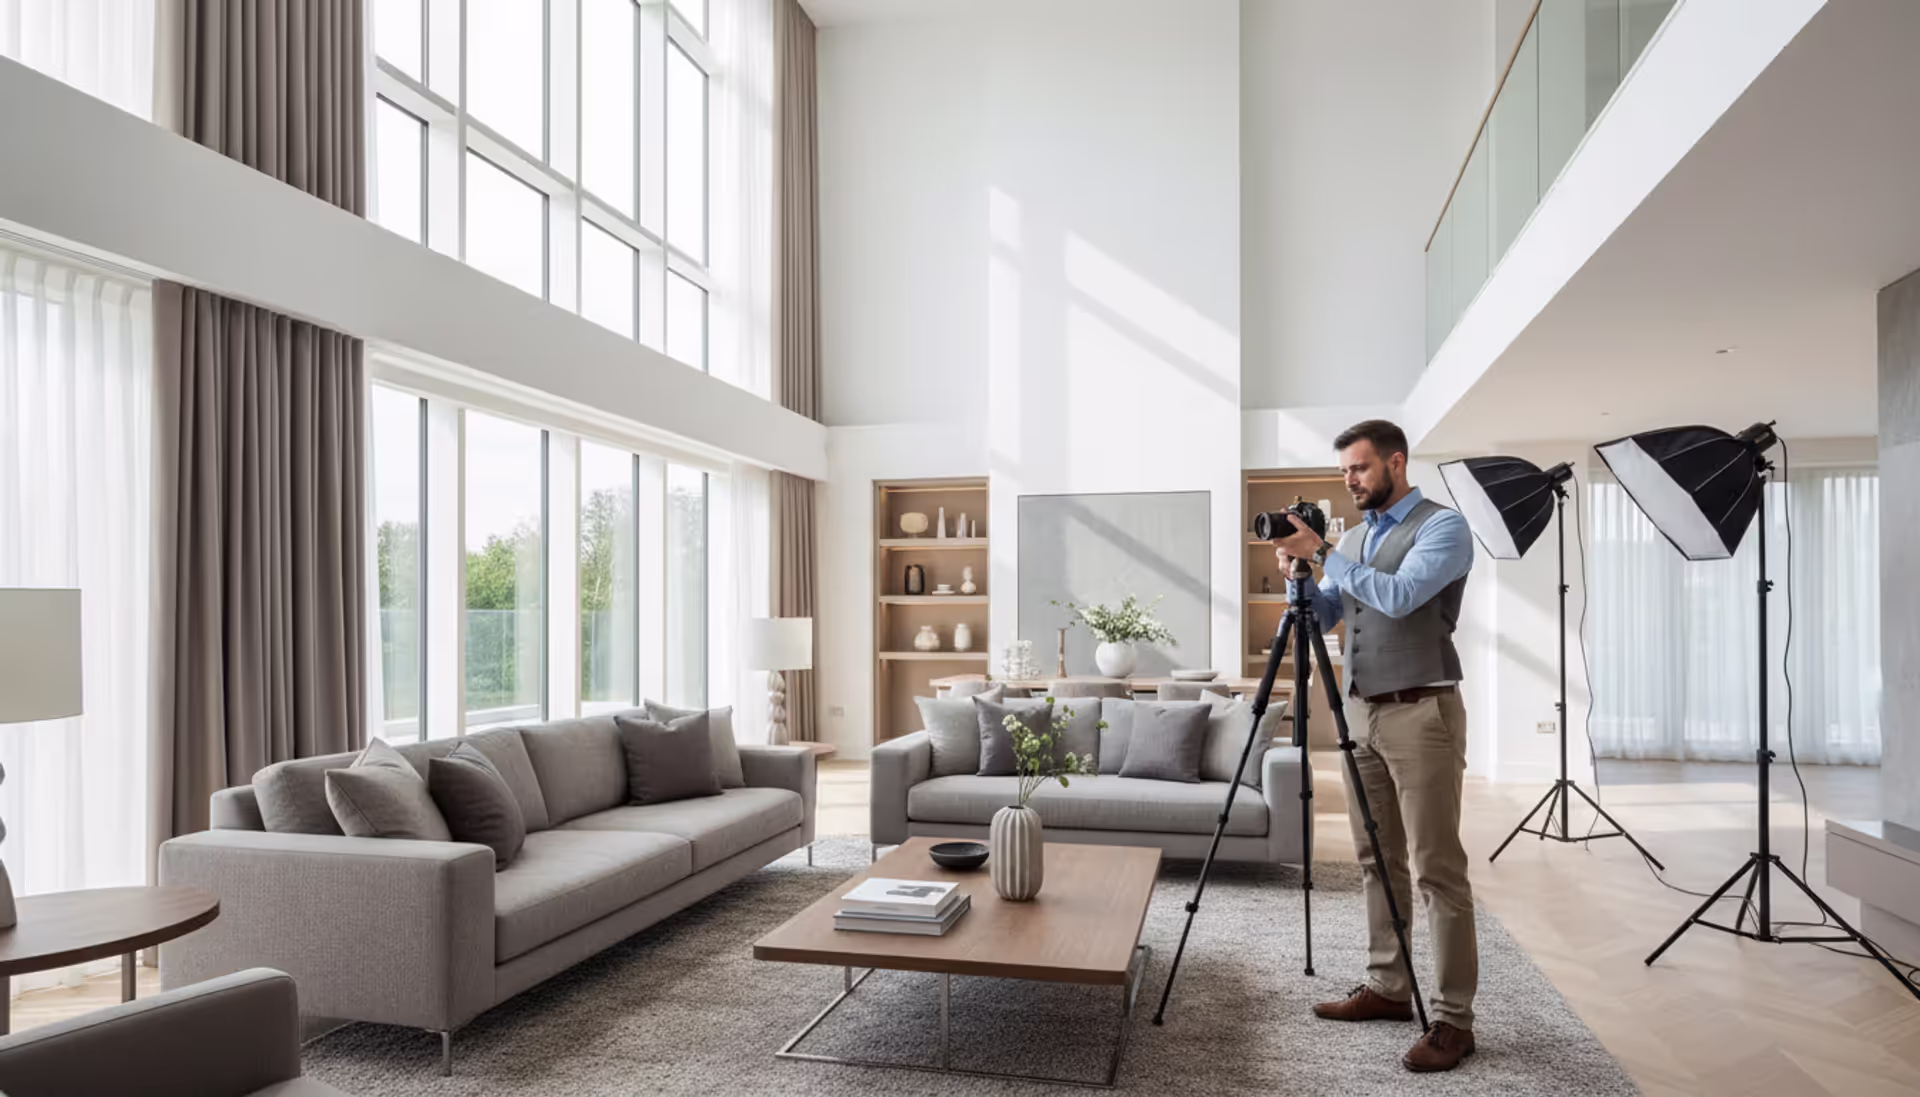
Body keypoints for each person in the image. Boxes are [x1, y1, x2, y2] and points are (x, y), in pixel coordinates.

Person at [1266, 418, 1479, 1073]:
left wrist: (1326, 554)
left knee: (1436, 867)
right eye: (1344, 472)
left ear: (1396, 462)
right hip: (1360, 712)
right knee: (1374, 859)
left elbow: (1400, 596)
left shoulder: (1443, 528)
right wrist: (1299, 574)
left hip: (1422, 712)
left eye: (1359, 468)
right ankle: (1389, 987)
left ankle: (1453, 1020)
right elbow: (1331, 613)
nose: (1351, 481)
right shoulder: (1356, 538)